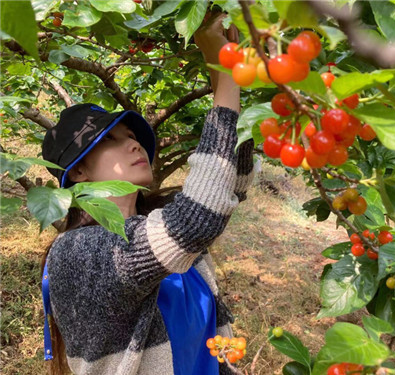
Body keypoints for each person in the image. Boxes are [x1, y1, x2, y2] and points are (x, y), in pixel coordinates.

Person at [40, 14, 254, 375]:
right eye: (110, 140)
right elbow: (195, 220)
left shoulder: (152, 224)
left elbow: (230, 184)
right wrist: (229, 76)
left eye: (131, 135)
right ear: (78, 170)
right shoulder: (76, 255)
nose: (134, 144)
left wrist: (222, 60)